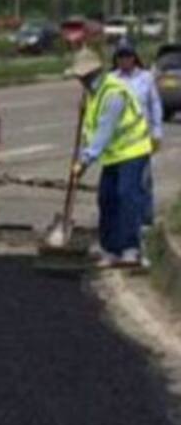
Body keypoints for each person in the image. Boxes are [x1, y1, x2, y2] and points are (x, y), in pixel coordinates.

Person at [70, 47, 155, 269]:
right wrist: (81, 155)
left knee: (126, 197)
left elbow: (104, 132)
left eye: (81, 76)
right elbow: (91, 129)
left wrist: (85, 161)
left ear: (90, 74)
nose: (79, 80)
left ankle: (130, 249)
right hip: (113, 156)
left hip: (133, 152)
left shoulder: (113, 93)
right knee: (106, 199)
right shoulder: (93, 94)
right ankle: (111, 248)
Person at [110, 39, 164, 232]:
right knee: (120, 183)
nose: (124, 60)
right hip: (118, 140)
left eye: (128, 56)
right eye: (120, 56)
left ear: (134, 58)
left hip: (142, 138)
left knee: (143, 180)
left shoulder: (146, 78)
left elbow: (155, 105)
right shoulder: (112, 79)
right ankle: (122, 219)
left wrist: (157, 132)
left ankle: (145, 219)